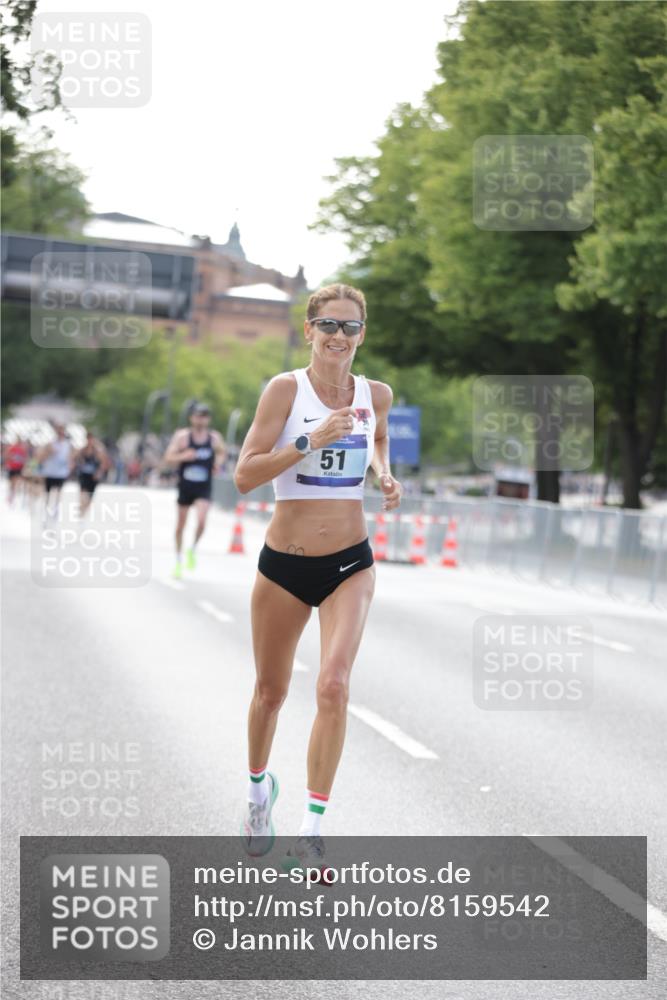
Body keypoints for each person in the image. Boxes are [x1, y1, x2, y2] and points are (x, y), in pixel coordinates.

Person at [234, 283, 402, 870]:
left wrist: (384, 473)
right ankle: (258, 793)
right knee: (270, 693)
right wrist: (311, 439)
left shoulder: (376, 394)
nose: (338, 336)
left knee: (333, 685)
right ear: (309, 330)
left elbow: (378, 436)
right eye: (328, 325)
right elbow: (245, 475)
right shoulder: (286, 389)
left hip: (350, 562)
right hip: (285, 564)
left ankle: (311, 830)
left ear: (362, 334)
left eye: (350, 326)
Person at [164, 403, 226, 578]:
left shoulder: (214, 438)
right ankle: (178, 560)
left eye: (204, 416)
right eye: (198, 416)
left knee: (201, 521)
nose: (201, 419)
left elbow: (222, 453)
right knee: (180, 525)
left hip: (203, 487)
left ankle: (192, 548)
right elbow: (168, 458)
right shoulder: (182, 437)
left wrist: (217, 464)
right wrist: (183, 456)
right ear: (192, 418)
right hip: (185, 486)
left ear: (208, 419)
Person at [39, 424, 74, 518]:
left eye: (62, 432)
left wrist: (70, 468)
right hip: (50, 472)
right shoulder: (50, 444)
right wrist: (49, 452)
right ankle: (46, 510)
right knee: (48, 493)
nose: (61, 434)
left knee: (58, 492)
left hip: (61, 473)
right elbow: (41, 457)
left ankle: (56, 509)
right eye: (59, 432)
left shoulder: (67, 445)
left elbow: (70, 458)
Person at [74, 431, 109, 516]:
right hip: (84, 474)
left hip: (93, 476)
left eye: (91, 439)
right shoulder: (82, 450)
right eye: (88, 439)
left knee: (90, 497)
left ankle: (85, 509)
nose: (89, 441)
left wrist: (99, 473)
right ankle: (81, 508)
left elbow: (104, 463)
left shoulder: (97, 451)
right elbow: (75, 458)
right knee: (83, 493)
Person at [4, 438, 28, 504]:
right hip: (12, 467)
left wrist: (23, 466)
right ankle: (10, 494)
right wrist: (9, 460)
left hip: (18, 468)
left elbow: (24, 459)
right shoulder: (12, 448)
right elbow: (7, 456)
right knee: (11, 482)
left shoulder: (22, 450)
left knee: (15, 482)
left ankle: (12, 495)